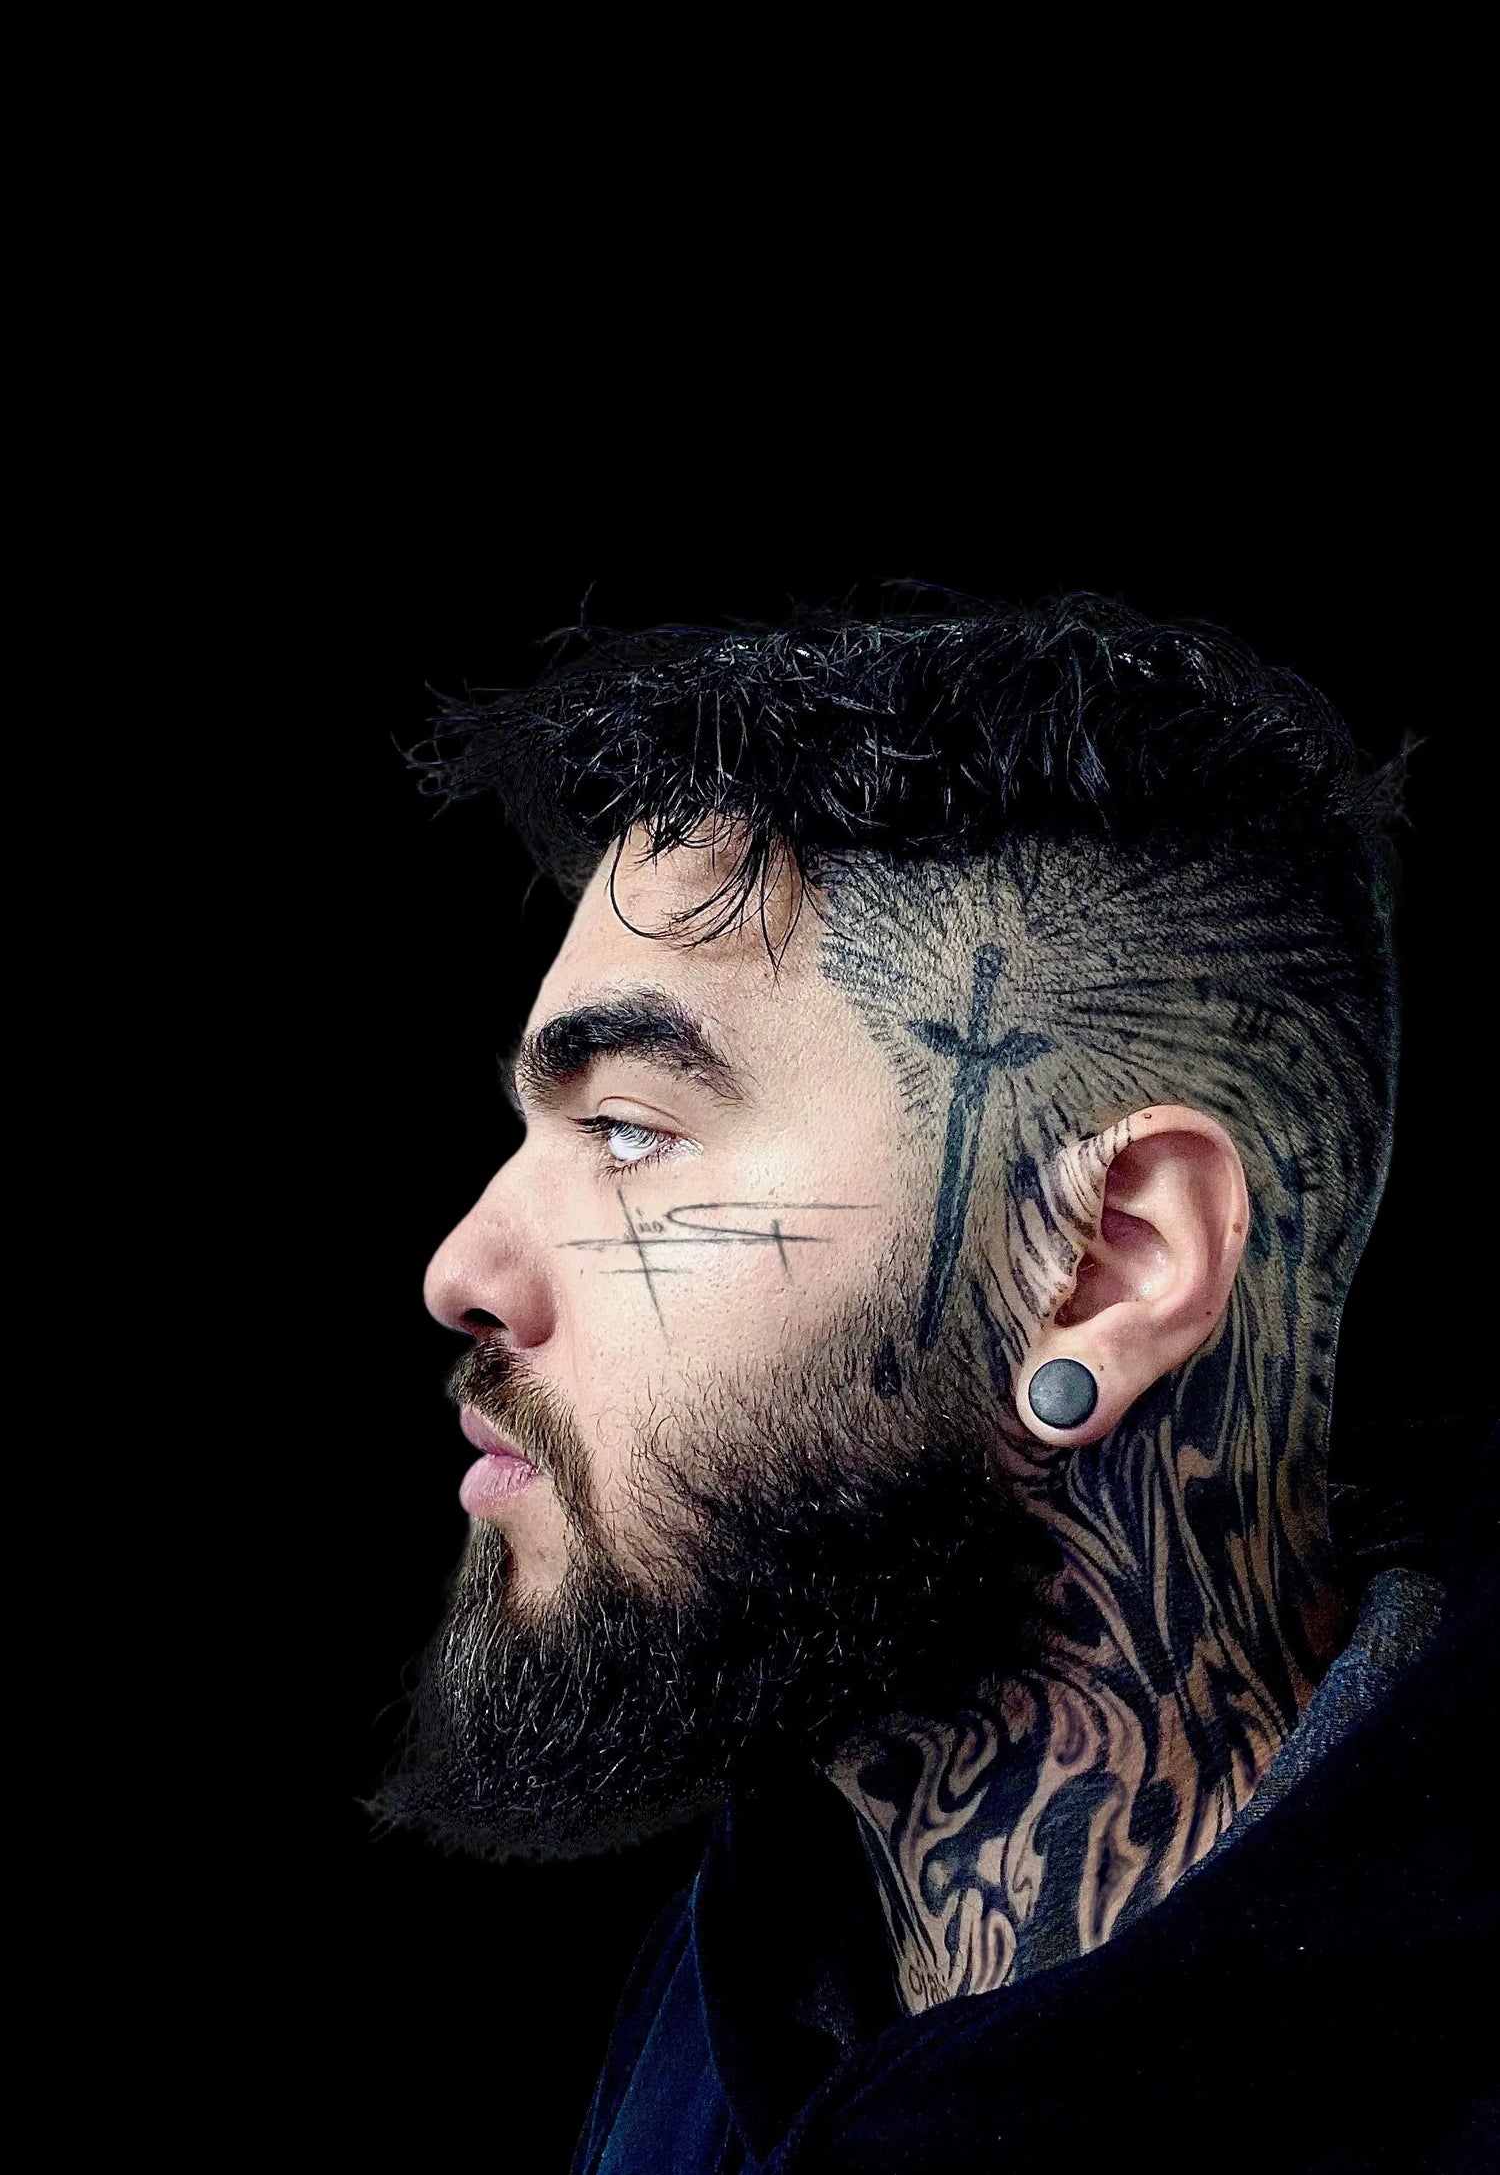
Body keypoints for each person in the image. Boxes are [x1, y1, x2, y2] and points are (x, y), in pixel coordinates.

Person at [373, 593, 1496, 2171]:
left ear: (1105, 1267)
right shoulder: (739, 1990)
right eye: (533, 1131)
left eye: (628, 1131)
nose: (464, 1269)